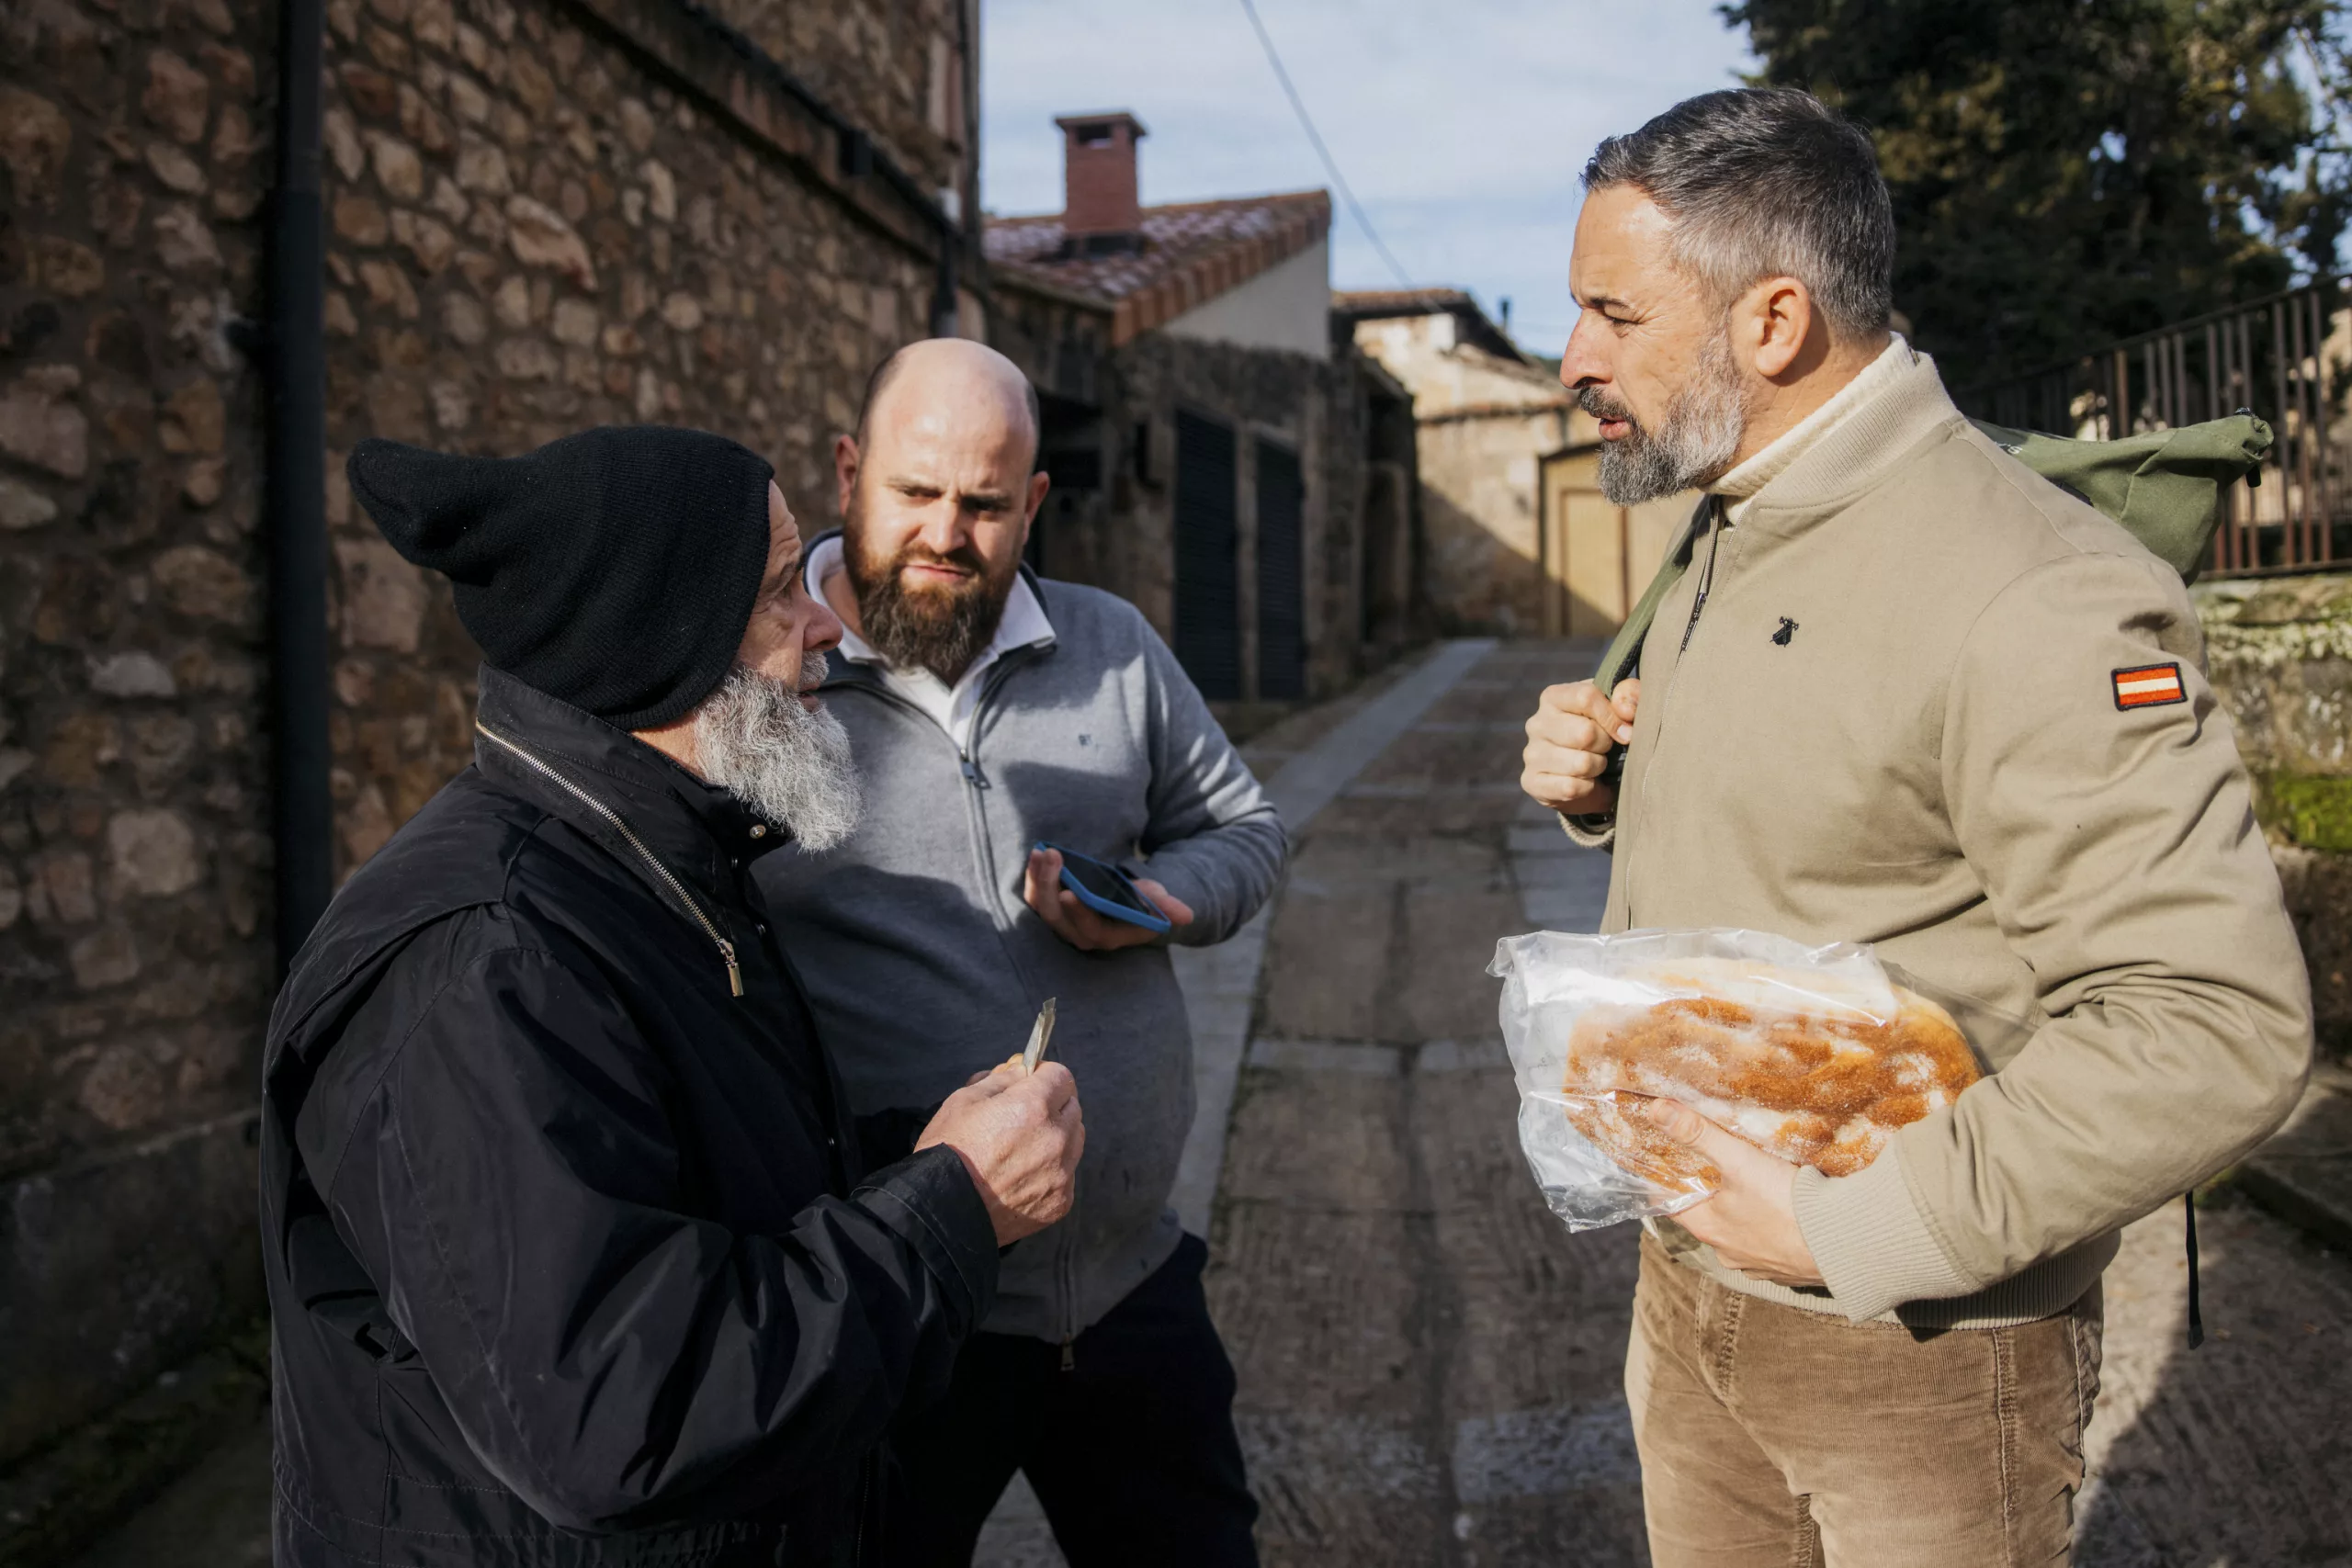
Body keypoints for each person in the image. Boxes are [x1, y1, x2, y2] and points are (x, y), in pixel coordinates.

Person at [1518, 89, 2312, 1566]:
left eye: (1613, 314)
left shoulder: (2038, 589)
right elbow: (1843, 799)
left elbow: (2215, 1024)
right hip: (1685, 1300)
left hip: (1921, 1360)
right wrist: (1610, 783)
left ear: (1773, 323)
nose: (1573, 359)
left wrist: (1851, 1231)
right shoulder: (1737, 505)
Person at [260, 424, 1086, 1568]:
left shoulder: (665, 862)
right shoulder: (482, 962)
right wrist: (955, 1206)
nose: (826, 625)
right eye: (777, 592)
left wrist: (924, 1151)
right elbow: (623, 1410)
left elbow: (707, 1182)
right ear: (654, 636)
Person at [757, 339, 1284, 1567]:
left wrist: (1161, 903)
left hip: (1130, 1286)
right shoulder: (771, 676)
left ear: (1034, 501)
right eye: (915, 492)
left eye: (986, 504)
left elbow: (1246, 828)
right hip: (905, 1306)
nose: (946, 534)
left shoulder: (1112, 643)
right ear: (848, 471)